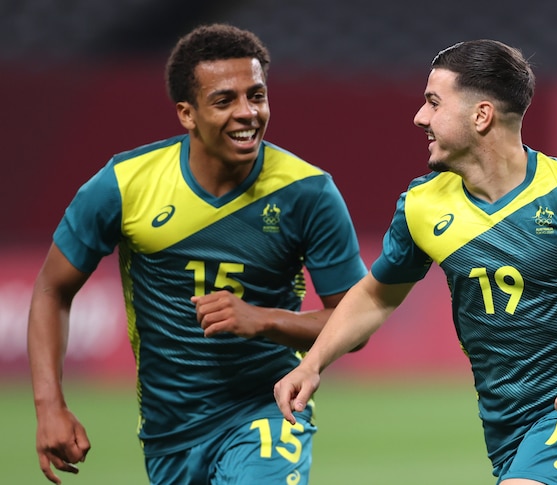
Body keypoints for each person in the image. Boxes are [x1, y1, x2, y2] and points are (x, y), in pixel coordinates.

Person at [274, 39, 557, 484]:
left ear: (481, 115)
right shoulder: (422, 206)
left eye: (433, 102)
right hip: (505, 430)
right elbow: (375, 295)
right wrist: (311, 365)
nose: (419, 117)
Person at [27, 23, 367, 485]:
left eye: (257, 95)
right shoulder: (125, 185)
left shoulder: (307, 193)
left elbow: (355, 320)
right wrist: (50, 406)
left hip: (267, 408)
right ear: (186, 114)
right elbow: (52, 290)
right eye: (225, 100)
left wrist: (263, 319)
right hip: (170, 433)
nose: (247, 113)